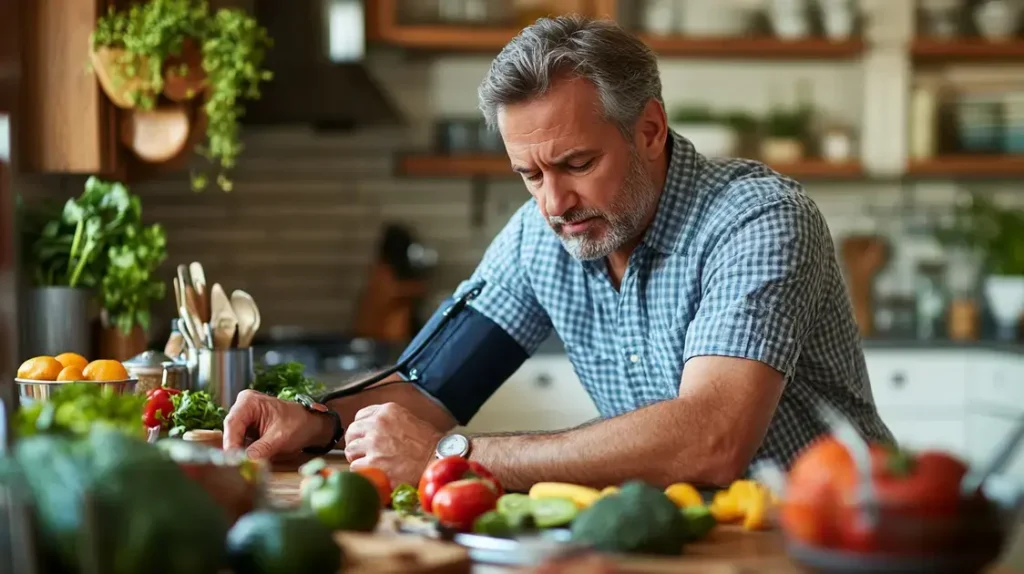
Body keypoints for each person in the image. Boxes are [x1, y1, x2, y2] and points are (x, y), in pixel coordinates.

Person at [223, 15, 893, 491]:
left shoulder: (756, 220)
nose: (553, 202)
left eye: (577, 163)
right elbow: (430, 386)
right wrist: (311, 421)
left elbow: (710, 441)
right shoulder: (538, 237)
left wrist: (451, 454)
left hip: (836, 539)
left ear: (651, 130)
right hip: (684, 542)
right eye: (530, 174)